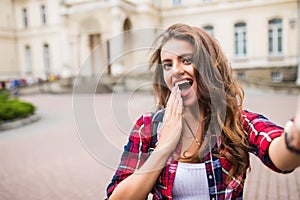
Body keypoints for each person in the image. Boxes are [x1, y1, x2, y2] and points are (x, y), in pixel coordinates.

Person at [106, 23, 300, 199]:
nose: (175, 70)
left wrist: (295, 135)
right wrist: (163, 149)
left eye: (186, 60)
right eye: (168, 64)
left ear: (209, 66)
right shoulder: (148, 127)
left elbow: (280, 157)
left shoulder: (236, 121)